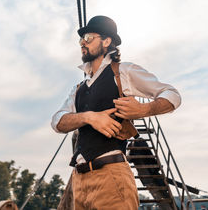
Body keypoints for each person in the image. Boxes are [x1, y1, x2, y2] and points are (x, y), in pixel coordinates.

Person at [51, 15, 181, 210]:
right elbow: (57, 122)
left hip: (111, 177)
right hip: (79, 182)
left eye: (88, 38)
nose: (82, 44)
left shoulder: (123, 72)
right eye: (80, 40)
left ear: (106, 41)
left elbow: (173, 95)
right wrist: (89, 117)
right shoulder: (78, 88)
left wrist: (144, 109)